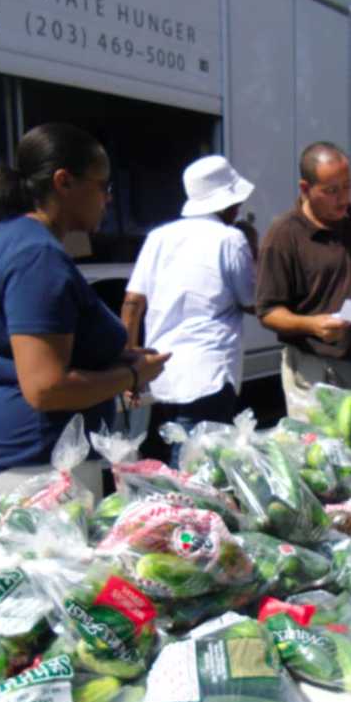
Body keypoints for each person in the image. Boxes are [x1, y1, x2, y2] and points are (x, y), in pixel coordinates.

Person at [0, 122, 170, 508]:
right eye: (102, 185)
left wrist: (119, 359)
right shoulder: (37, 256)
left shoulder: (17, 239)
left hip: (39, 458)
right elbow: (46, 387)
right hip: (38, 462)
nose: (107, 199)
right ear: (64, 182)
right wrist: (132, 375)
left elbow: (54, 355)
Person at [121, 155, 257, 468]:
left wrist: (129, 365)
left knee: (185, 453)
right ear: (226, 203)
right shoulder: (230, 239)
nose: (238, 208)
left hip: (164, 371)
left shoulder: (159, 237)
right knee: (198, 469)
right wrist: (256, 254)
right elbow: (251, 301)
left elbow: (132, 304)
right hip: (210, 370)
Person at [256, 141, 351, 418]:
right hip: (315, 372)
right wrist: (311, 324)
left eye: (347, 186)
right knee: (319, 454)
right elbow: (268, 312)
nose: (342, 199)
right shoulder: (284, 236)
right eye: (331, 191)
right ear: (305, 189)